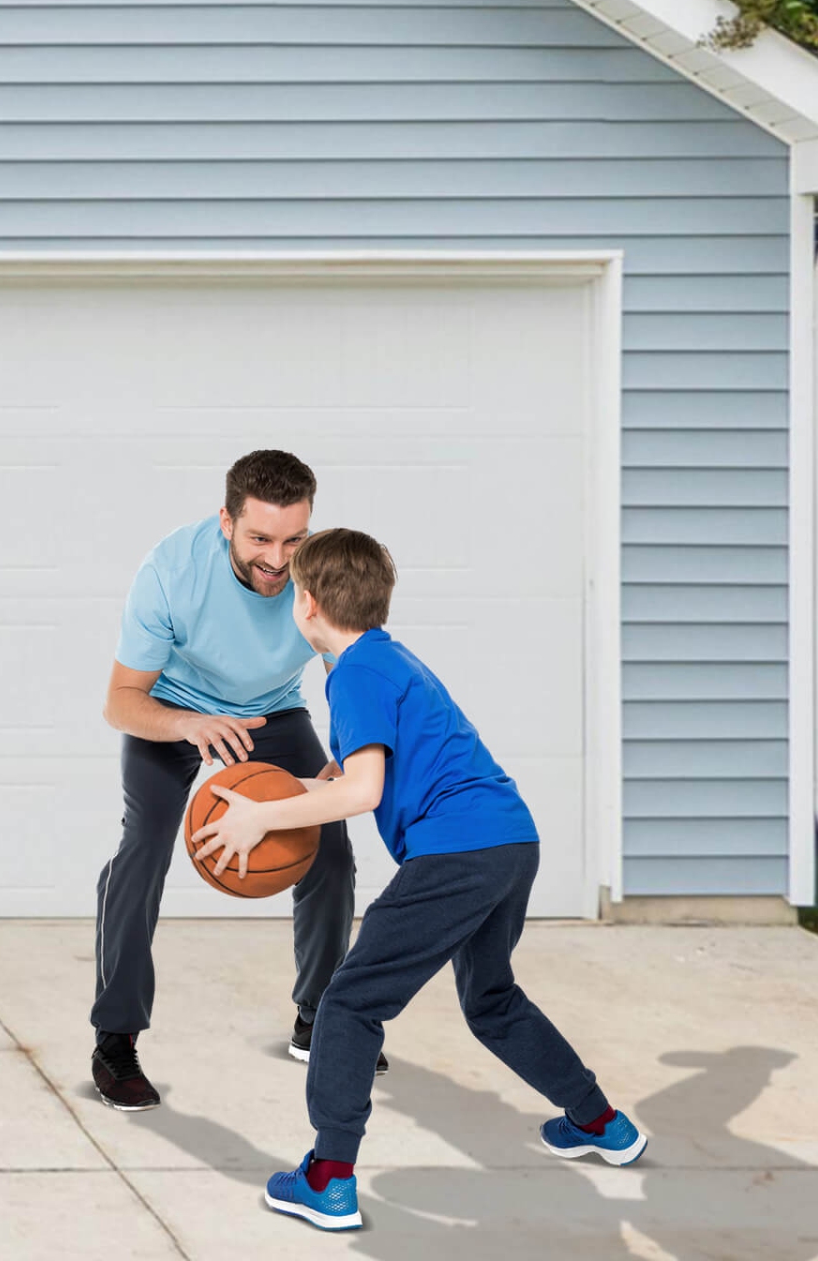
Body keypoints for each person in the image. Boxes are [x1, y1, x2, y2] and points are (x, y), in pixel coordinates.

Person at [192, 527, 646, 1231]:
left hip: (458, 852)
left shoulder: (355, 676)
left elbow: (366, 791)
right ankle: (602, 1123)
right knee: (492, 1000)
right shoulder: (389, 660)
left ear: (305, 604)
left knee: (348, 1005)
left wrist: (264, 816)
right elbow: (364, 771)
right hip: (508, 840)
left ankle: (328, 1178)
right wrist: (311, 786)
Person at [91, 450, 386, 1113]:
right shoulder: (171, 572)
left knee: (330, 848)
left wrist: (345, 754)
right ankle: (115, 1039)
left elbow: (355, 667)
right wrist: (191, 723)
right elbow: (119, 701)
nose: (278, 561)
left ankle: (320, 1020)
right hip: (172, 706)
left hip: (273, 708)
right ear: (226, 521)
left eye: (294, 540)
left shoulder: (321, 575)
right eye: (259, 539)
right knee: (143, 850)